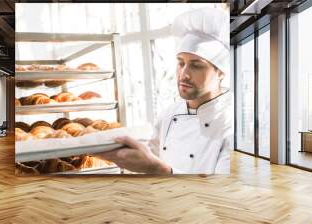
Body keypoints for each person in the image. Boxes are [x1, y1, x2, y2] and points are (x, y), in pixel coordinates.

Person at [94, 7, 233, 174]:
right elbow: (150, 157)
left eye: (196, 65)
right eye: (181, 63)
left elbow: (222, 192)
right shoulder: (170, 113)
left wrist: (158, 169)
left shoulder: (231, 125)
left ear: (221, 72)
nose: (184, 74)